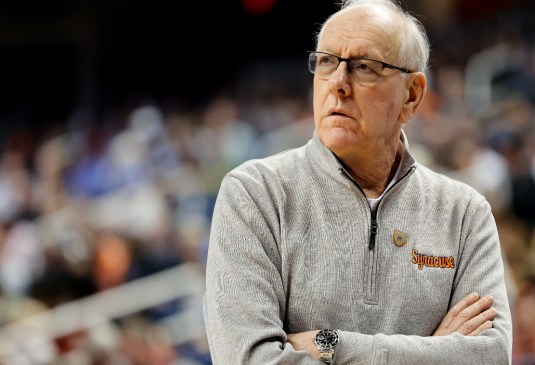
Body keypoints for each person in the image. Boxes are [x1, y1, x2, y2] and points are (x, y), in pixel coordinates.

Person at [202, 0, 513, 363]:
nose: (337, 83)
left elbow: (488, 356)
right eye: (326, 61)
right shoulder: (255, 193)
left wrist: (327, 344)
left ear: (411, 95)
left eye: (364, 67)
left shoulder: (464, 214)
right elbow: (250, 359)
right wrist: (435, 351)